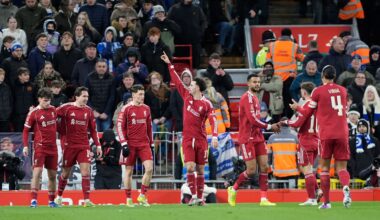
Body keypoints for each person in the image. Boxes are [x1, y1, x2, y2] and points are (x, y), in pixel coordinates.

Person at [290, 65, 352, 209]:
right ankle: (345, 188)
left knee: (324, 168)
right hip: (342, 132)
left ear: (322, 75)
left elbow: (308, 111)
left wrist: (297, 108)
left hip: (326, 134)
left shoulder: (318, 91)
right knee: (342, 168)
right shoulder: (343, 91)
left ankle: (326, 203)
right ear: (334, 76)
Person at [161, 52, 218, 206]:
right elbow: (177, 81)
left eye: (192, 84)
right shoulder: (186, 96)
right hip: (187, 138)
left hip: (201, 139)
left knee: (200, 170)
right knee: (190, 167)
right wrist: (169, 64)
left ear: (198, 88)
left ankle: (200, 198)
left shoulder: (206, 104)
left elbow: (213, 120)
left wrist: (214, 136)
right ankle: (194, 196)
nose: (189, 86)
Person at [226, 73, 280, 207]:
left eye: (258, 82)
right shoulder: (246, 98)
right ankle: (233, 189)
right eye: (254, 82)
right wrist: (269, 126)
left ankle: (263, 199)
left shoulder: (256, 98)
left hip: (258, 137)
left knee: (264, 167)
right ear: (248, 84)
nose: (257, 84)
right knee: (251, 171)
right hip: (247, 139)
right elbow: (252, 120)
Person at [55, 86, 102, 207]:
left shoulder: (88, 111)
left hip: (83, 145)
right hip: (69, 145)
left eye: (87, 96)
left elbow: (93, 130)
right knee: (65, 173)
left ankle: (86, 200)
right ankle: (59, 197)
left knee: (85, 171)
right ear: (77, 96)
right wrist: (58, 128)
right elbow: (52, 114)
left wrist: (98, 145)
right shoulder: (66, 108)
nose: (86, 98)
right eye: (83, 96)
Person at [282, 82, 323, 205]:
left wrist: (285, 122)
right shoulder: (317, 105)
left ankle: (311, 199)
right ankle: (318, 190)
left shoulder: (305, 105)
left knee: (307, 171)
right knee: (309, 170)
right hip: (316, 140)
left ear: (303, 92)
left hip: (306, 140)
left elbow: (297, 123)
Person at [116, 84, 153, 207]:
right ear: (133, 95)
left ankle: (142, 195)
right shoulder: (126, 109)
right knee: (129, 171)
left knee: (149, 169)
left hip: (143, 144)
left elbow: (149, 127)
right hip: (130, 144)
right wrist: (124, 143)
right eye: (140, 94)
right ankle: (128, 198)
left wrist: (151, 143)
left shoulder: (146, 108)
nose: (142, 97)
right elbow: (119, 127)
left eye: (143, 94)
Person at [22, 88, 59, 208]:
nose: (47, 103)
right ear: (39, 99)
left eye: (49, 101)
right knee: (37, 173)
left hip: (53, 147)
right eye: (45, 101)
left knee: (52, 175)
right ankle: (33, 201)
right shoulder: (33, 113)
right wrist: (26, 146)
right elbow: (26, 130)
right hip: (40, 147)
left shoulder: (53, 110)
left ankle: (51, 201)